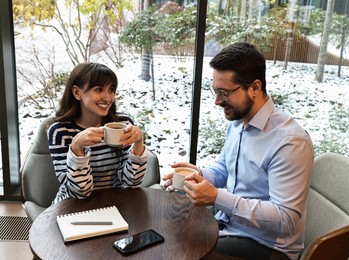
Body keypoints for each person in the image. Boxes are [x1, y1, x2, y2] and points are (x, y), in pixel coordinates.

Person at [163, 43, 314, 260]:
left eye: (224, 92)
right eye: (215, 91)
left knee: (181, 253)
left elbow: (286, 218)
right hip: (231, 226)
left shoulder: (289, 142)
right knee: (172, 233)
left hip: (267, 246)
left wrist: (216, 197)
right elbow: (225, 168)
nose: (216, 101)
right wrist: (200, 175)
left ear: (254, 88)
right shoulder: (238, 122)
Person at [48, 62, 147, 204]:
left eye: (111, 89)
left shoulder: (123, 125)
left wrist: (138, 144)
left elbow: (131, 182)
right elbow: (80, 192)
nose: (108, 98)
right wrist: (76, 148)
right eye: (99, 89)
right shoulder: (60, 132)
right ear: (77, 93)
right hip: (71, 206)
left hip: (112, 204)